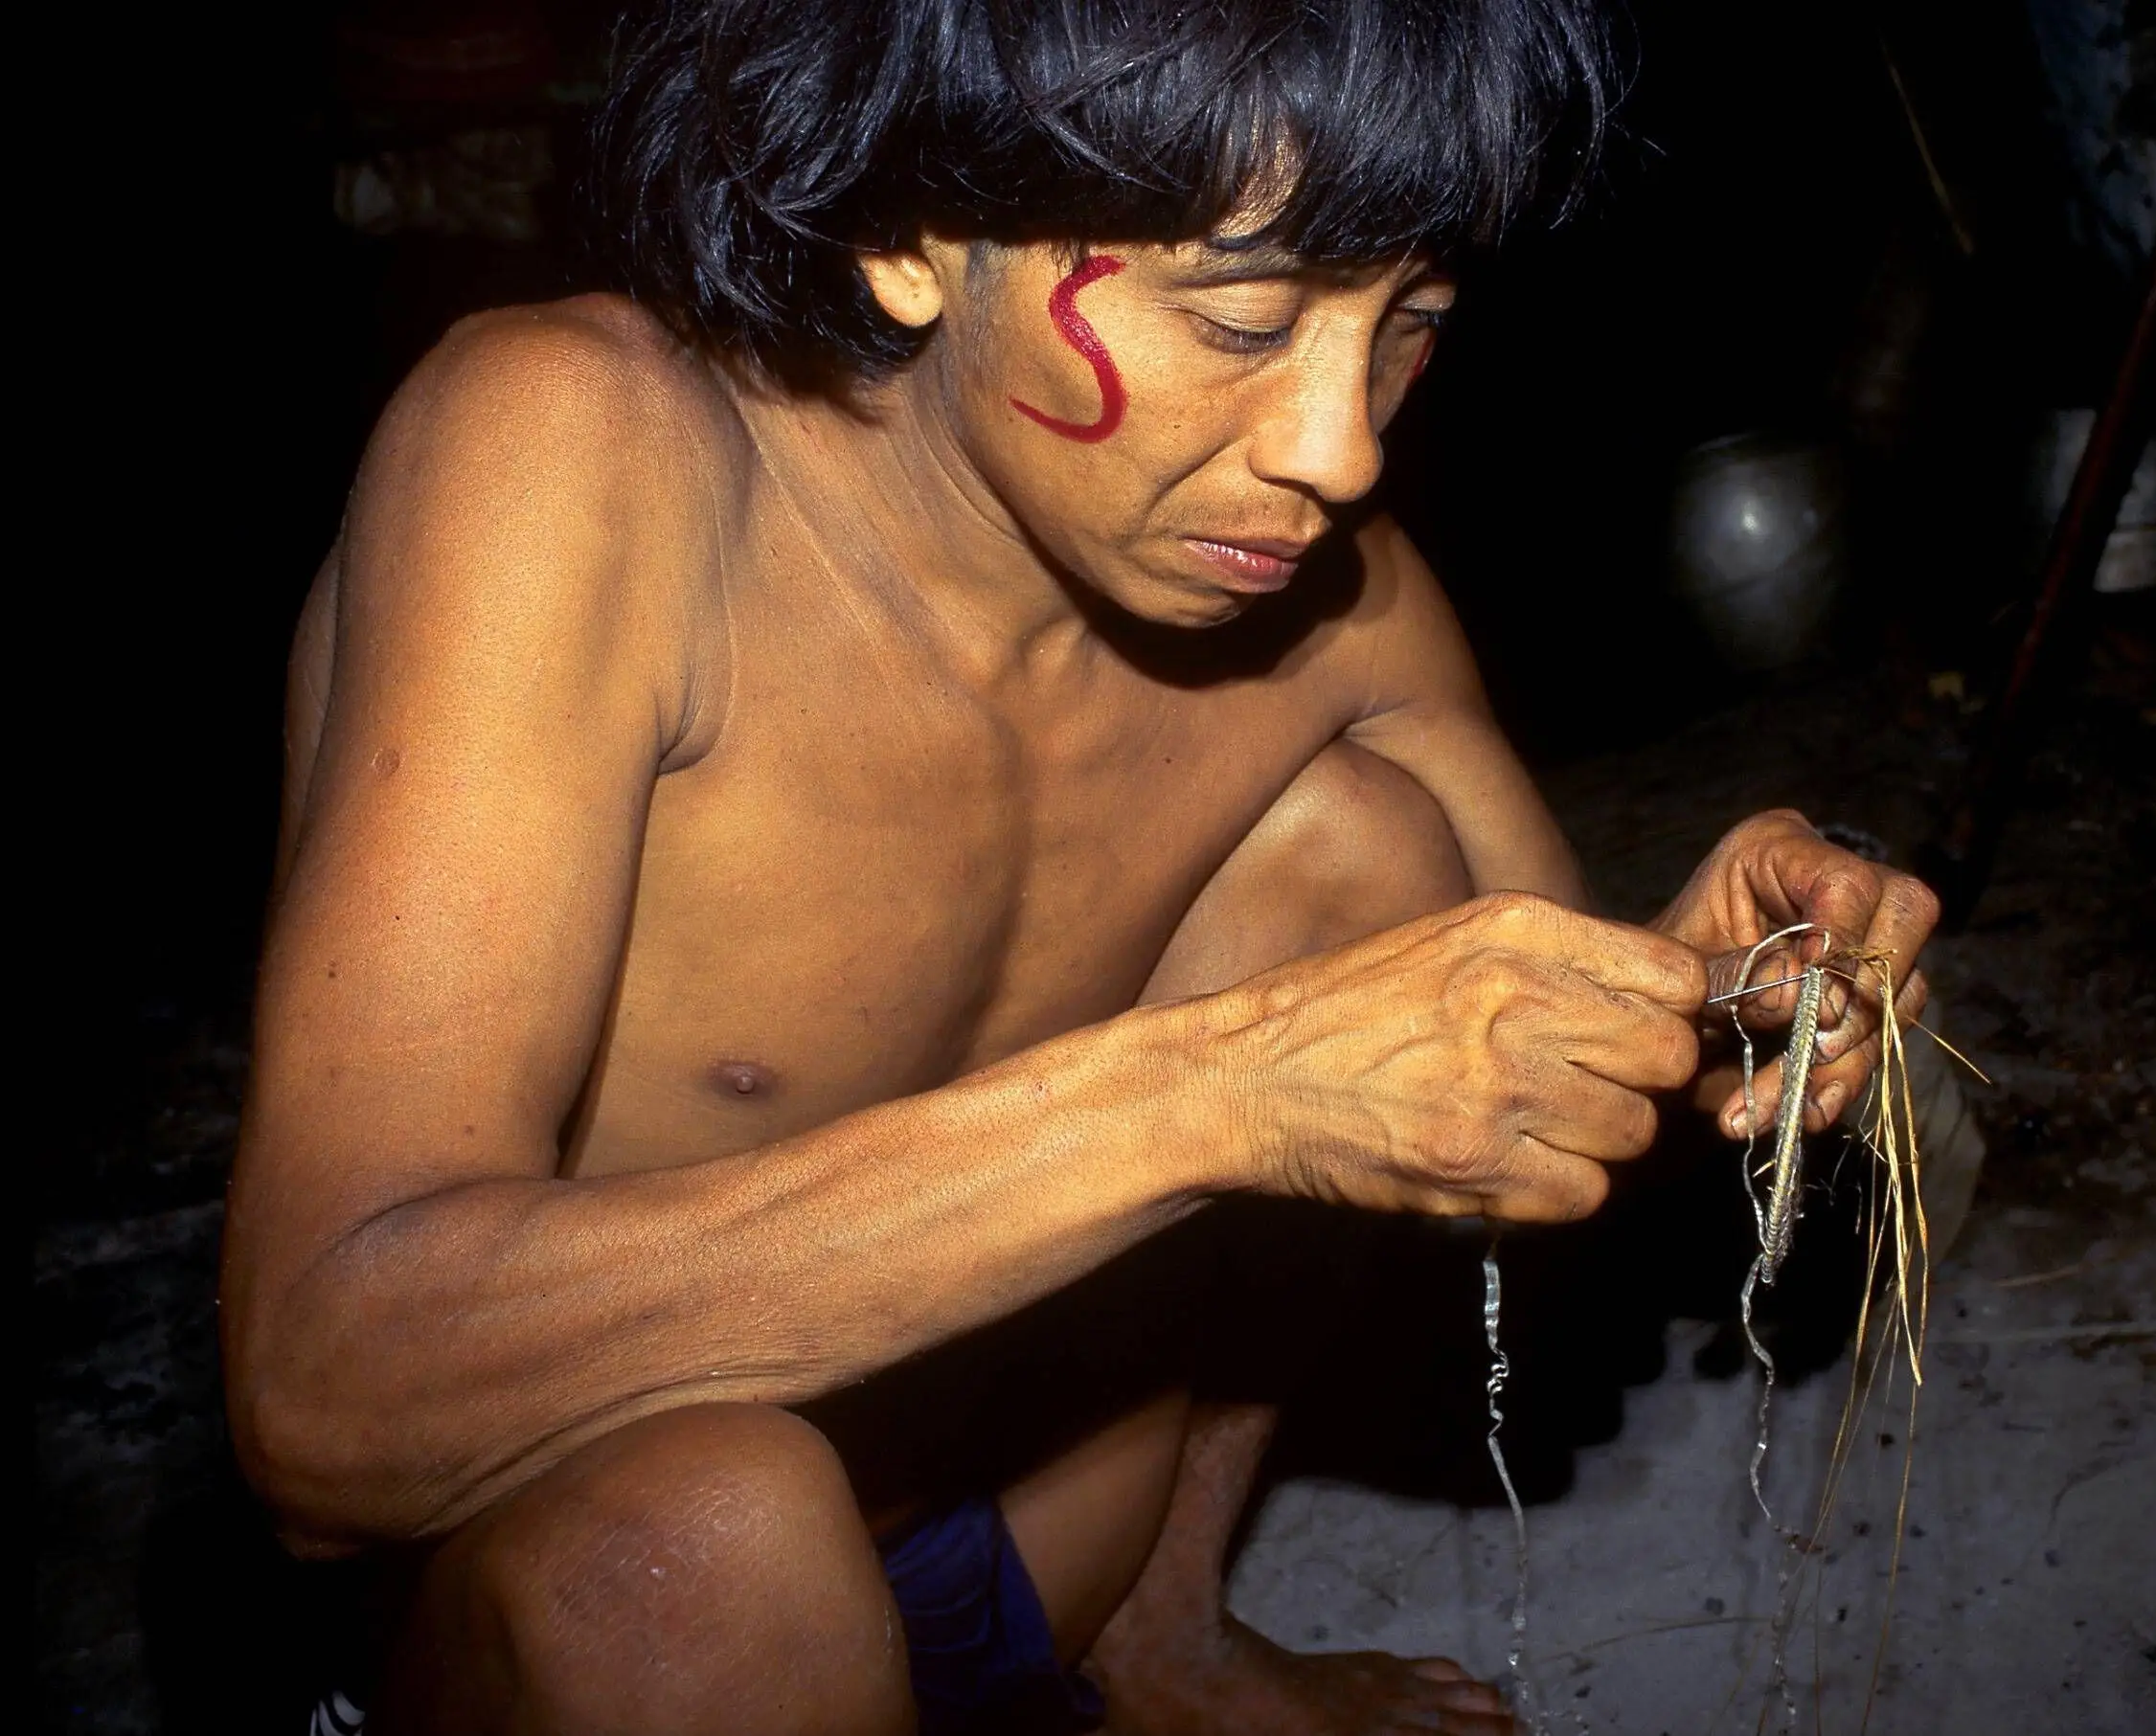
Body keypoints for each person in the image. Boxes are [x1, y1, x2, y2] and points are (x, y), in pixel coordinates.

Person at [221, 1, 1940, 1730]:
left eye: (1405, 326)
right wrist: (1225, 1092)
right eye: (1243, 318)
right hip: (618, 1623)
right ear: (909, 235)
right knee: (705, 1541)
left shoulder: (1334, 599)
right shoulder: (587, 464)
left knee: (1366, 855)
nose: (1340, 450)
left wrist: (1734, 1010)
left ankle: (1159, 1640)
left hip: (1017, 1549)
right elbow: (329, 1404)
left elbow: (1531, 1108)